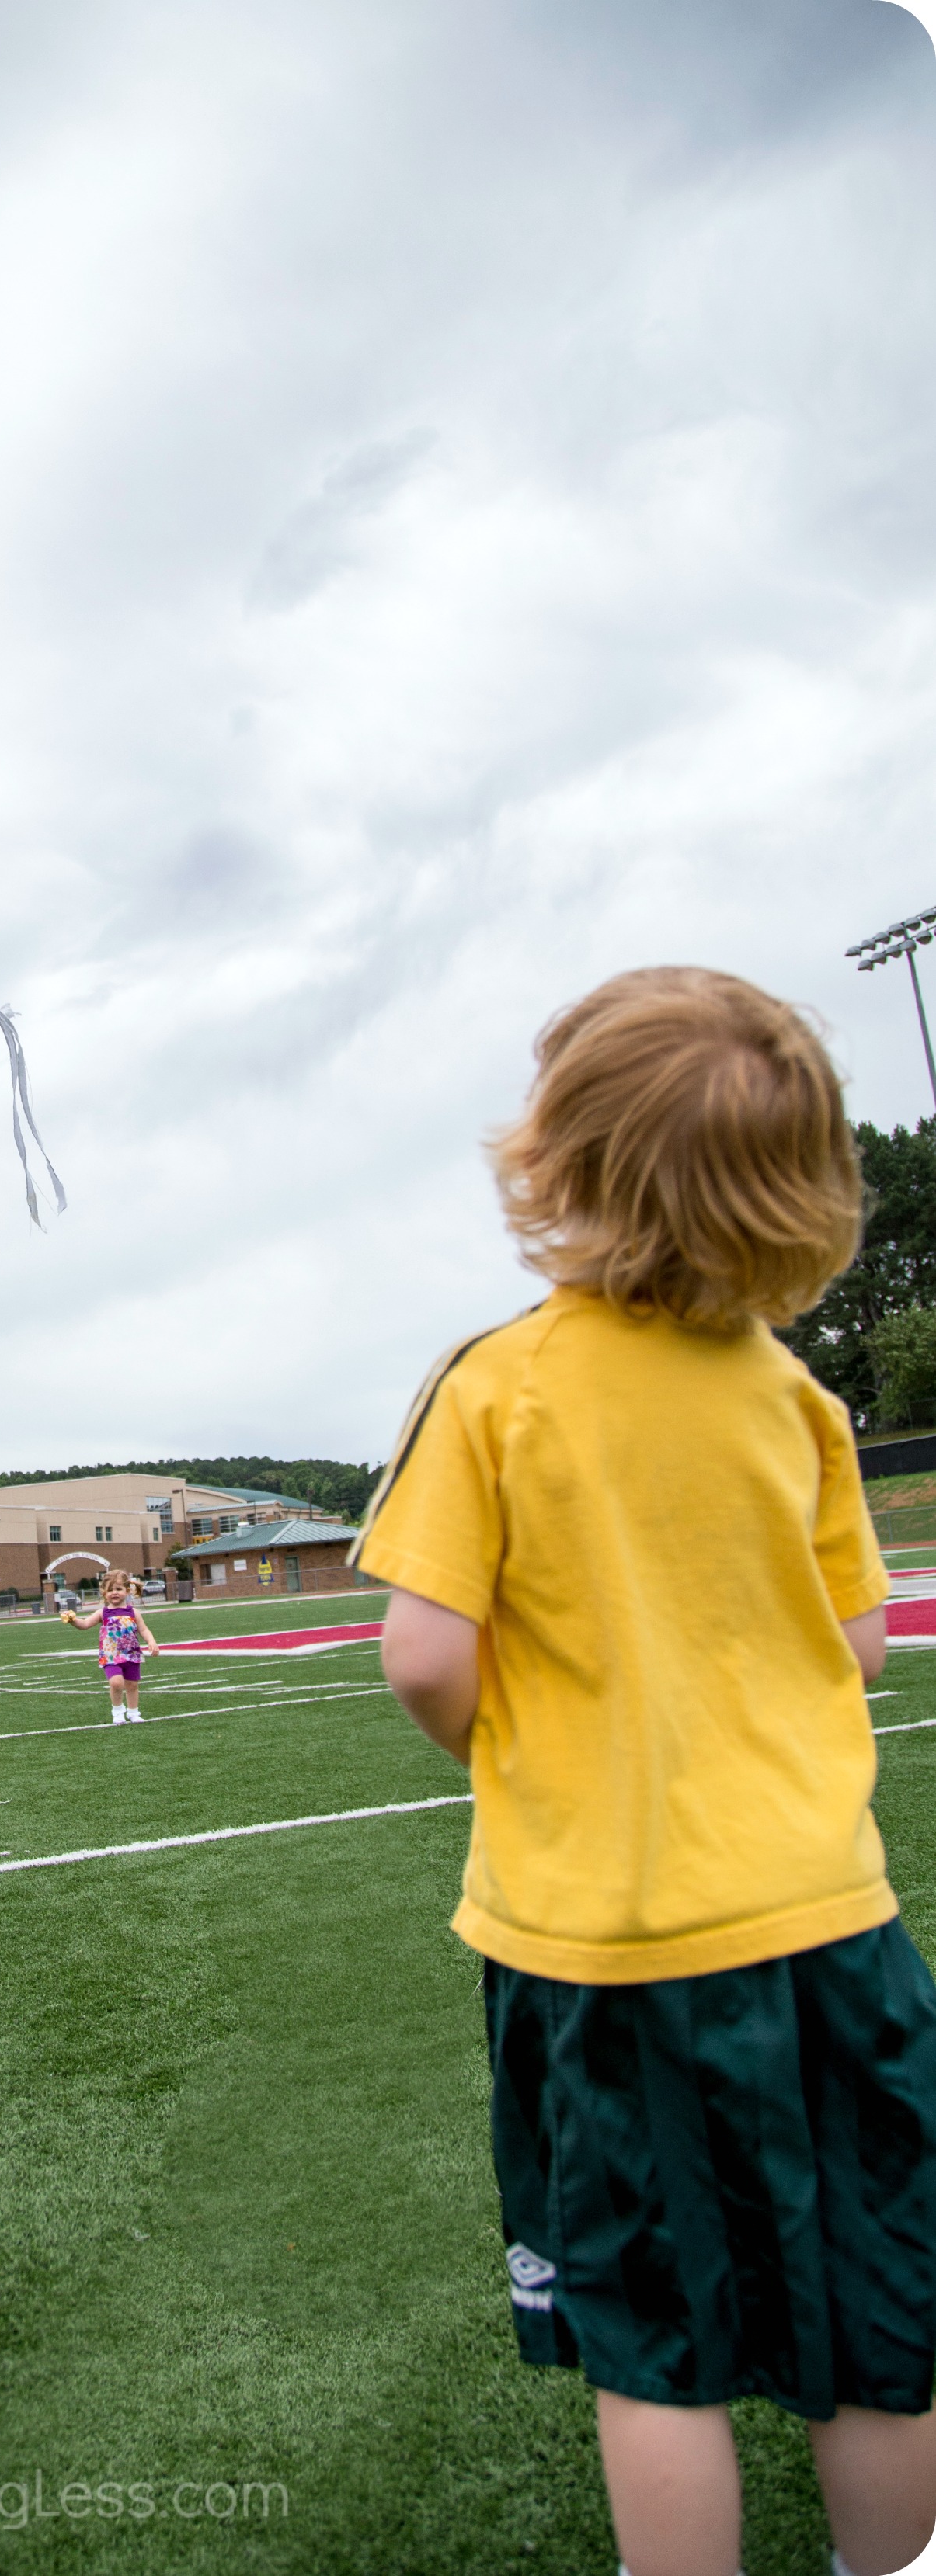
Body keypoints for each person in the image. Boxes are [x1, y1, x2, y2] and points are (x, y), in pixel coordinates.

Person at [356, 967, 936, 2576]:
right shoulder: (795, 1401)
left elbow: (420, 1654)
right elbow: (860, 1645)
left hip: (603, 1948)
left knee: (654, 2340)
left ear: (552, 1165)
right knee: (869, 2304)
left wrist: (535, 1758)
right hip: (828, 1930)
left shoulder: (496, 1386)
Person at [62, 1567, 158, 1720]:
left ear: (127, 1591)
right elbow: (85, 1624)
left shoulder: (133, 1612)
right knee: (116, 1682)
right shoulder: (103, 1613)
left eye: (118, 1589)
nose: (114, 1593)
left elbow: (144, 1630)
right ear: (104, 1593)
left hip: (131, 1654)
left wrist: (151, 1641)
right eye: (110, 1590)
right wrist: (73, 1620)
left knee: (132, 1684)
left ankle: (134, 1713)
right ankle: (118, 1711)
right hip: (111, 1655)